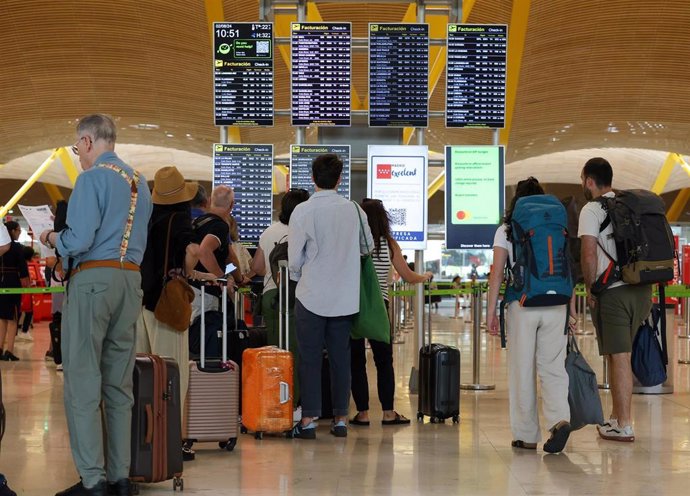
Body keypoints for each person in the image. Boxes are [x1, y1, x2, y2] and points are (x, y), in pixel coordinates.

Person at [40, 113, 152, 496]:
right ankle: (120, 478)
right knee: (119, 386)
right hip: (129, 280)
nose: (79, 156)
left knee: (83, 382)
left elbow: (80, 238)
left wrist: (54, 237)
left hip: (93, 282)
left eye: (77, 148)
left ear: (88, 142)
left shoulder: (91, 179)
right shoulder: (141, 183)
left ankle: (93, 481)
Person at [288, 154, 374, 439]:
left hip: (311, 295)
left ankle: (310, 419)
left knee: (310, 358)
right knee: (341, 358)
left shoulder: (302, 211)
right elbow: (367, 246)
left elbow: (294, 258)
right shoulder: (354, 210)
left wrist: (300, 278)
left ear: (313, 179)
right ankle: (340, 419)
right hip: (344, 297)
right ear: (339, 179)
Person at [486, 177, 572, 454]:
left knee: (522, 369)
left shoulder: (507, 229)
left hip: (522, 304)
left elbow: (497, 273)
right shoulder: (555, 224)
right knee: (553, 367)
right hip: (557, 302)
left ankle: (525, 435)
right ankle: (560, 419)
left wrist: (490, 311)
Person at [136, 166, 215, 462]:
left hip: (141, 302)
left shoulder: (145, 220)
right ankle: (173, 442)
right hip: (167, 306)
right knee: (172, 375)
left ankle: (143, 439)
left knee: (143, 374)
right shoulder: (180, 219)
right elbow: (192, 251)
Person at [579, 157, 652, 443]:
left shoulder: (592, 209)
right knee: (615, 352)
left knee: (619, 356)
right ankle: (615, 417)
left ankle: (624, 423)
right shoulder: (629, 204)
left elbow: (587, 253)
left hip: (614, 291)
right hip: (641, 289)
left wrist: (590, 287)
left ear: (588, 180)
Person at [349, 198, 432, 427]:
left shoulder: (352, 243)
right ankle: (388, 413)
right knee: (384, 361)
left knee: (356, 362)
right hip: (379, 308)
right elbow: (408, 276)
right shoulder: (389, 244)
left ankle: (363, 413)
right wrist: (424, 277)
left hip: (353, 307)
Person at [251, 188, 310, 409]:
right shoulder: (304, 231)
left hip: (270, 296)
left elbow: (257, 267)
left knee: (274, 351)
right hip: (296, 296)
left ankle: (272, 402)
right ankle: (292, 404)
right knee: (296, 353)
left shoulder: (268, 232)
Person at [0, 221, 29, 361]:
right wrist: (26, 283)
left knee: (2, 318)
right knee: (12, 318)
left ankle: (0, 348)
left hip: (0, 282)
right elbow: (23, 268)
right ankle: (9, 350)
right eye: (18, 230)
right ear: (11, 231)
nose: (19, 232)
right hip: (12, 282)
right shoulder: (16, 247)